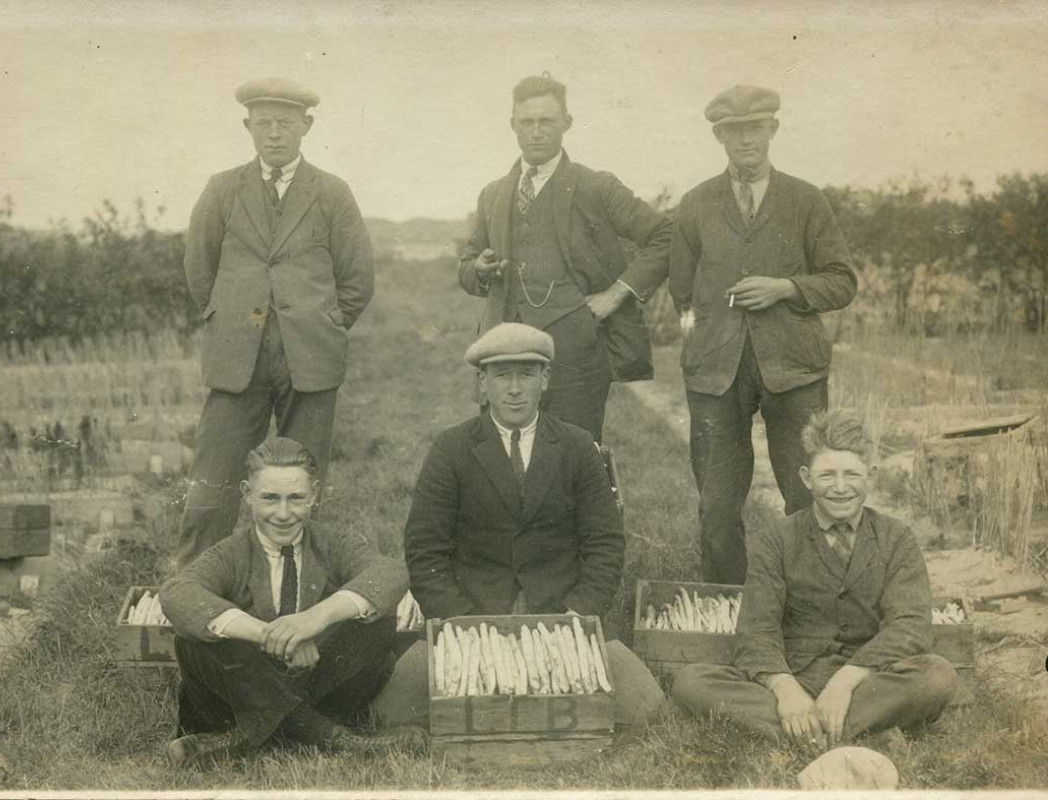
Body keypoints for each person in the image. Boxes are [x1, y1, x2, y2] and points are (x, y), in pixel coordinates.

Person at [372, 323, 666, 727]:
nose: (514, 389)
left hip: (560, 612)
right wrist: (460, 621)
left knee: (646, 710)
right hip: (472, 615)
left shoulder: (578, 445)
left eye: (526, 375)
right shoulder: (451, 448)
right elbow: (425, 550)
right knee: (392, 714)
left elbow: (605, 543)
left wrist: (577, 614)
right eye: (501, 375)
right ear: (482, 381)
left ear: (545, 380)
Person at [177, 77, 374, 569]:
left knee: (302, 483)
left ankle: (297, 587)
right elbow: (199, 268)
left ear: (306, 126)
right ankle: (196, 585)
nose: (274, 134)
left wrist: (322, 325)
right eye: (263, 124)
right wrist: (230, 321)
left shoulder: (331, 192)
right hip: (236, 356)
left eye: (285, 123)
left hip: (309, 358)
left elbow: (357, 277)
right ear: (248, 127)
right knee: (212, 483)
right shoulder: (222, 189)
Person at [672, 410, 957, 749]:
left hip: (868, 680)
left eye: (851, 474)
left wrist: (846, 681)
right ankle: (855, 729)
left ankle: (802, 734)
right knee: (690, 681)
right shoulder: (777, 538)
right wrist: (785, 689)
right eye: (827, 475)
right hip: (795, 679)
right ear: (807, 478)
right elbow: (757, 630)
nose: (840, 488)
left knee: (937, 675)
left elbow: (910, 626)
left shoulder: (897, 538)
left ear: (871, 476)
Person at [669, 84, 858, 585]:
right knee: (716, 502)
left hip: (793, 369)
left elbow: (842, 281)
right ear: (720, 137)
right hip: (715, 375)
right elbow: (681, 295)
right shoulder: (695, 204)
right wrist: (697, 343)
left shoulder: (804, 200)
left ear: (772, 130)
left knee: (809, 494)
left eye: (754, 128)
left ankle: (814, 603)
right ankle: (727, 606)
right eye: (733, 131)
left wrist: (786, 287)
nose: (744, 140)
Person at [159, 438, 421, 766]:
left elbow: (390, 573)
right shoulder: (231, 553)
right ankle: (335, 739)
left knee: (377, 614)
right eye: (270, 498)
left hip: (316, 680)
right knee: (194, 638)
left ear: (314, 494)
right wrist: (269, 635)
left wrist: (314, 619)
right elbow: (178, 593)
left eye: (296, 498)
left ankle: (242, 738)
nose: (283, 514)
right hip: (246, 687)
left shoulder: (332, 543)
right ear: (246, 494)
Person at [458, 73, 672, 443]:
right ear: (513, 126)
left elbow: (666, 236)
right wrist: (478, 268)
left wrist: (616, 294)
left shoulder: (597, 187)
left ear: (566, 124)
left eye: (547, 121)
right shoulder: (492, 195)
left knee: (575, 459)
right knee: (502, 460)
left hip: (577, 356)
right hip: (503, 355)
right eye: (527, 122)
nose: (536, 131)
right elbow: (466, 266)